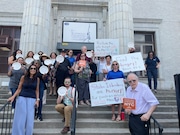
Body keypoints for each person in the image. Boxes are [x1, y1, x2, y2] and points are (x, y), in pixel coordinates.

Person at [8, 64, 40, 135]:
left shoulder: (37, 79)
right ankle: (18, 133)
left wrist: (37, 100)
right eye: (31, 68)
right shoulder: (23, 77)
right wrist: (13, 97)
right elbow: (19, 88)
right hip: (22, 97)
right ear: (29, 69)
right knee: (20, 118)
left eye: (34, 69)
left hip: (32, 99)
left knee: (30, 118)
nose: (33, 70)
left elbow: (37, 90)